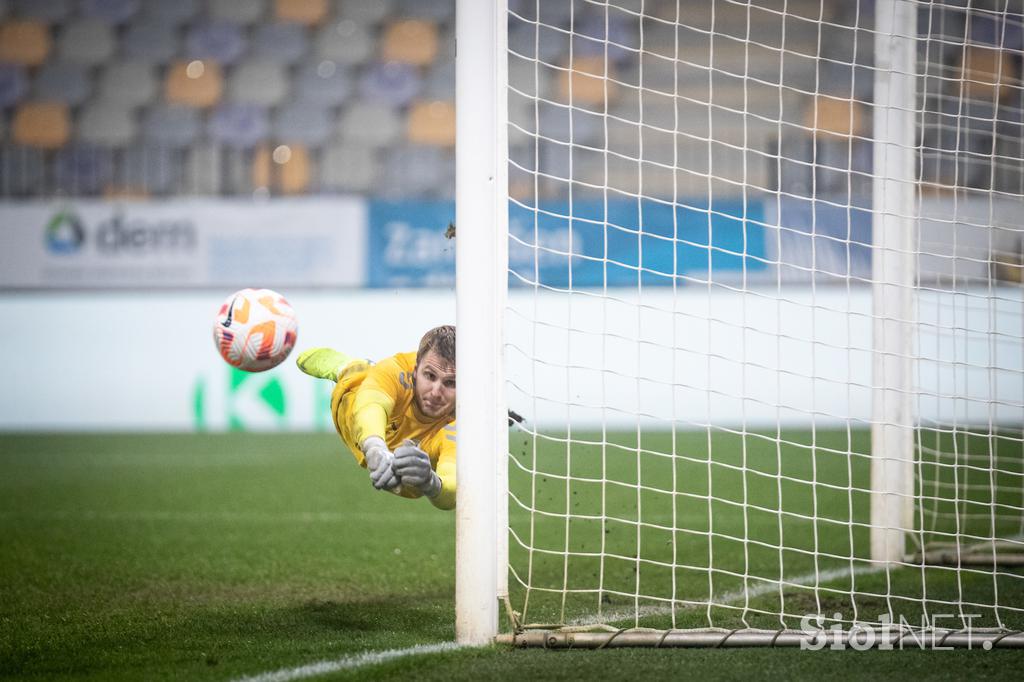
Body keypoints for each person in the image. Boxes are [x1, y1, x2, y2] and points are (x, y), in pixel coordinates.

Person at [295, 325, 457, 510]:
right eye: (429, 376)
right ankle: (348, 368)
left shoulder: (463, 424)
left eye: (450, 383)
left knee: (414, 481)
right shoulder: (396, 369)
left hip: (413, 477)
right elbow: (371, 405)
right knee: (361, 379)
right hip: (352, 413)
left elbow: (452, 489)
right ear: (415, 369)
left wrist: (431, 481)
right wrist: (376, 448)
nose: (436, 392)